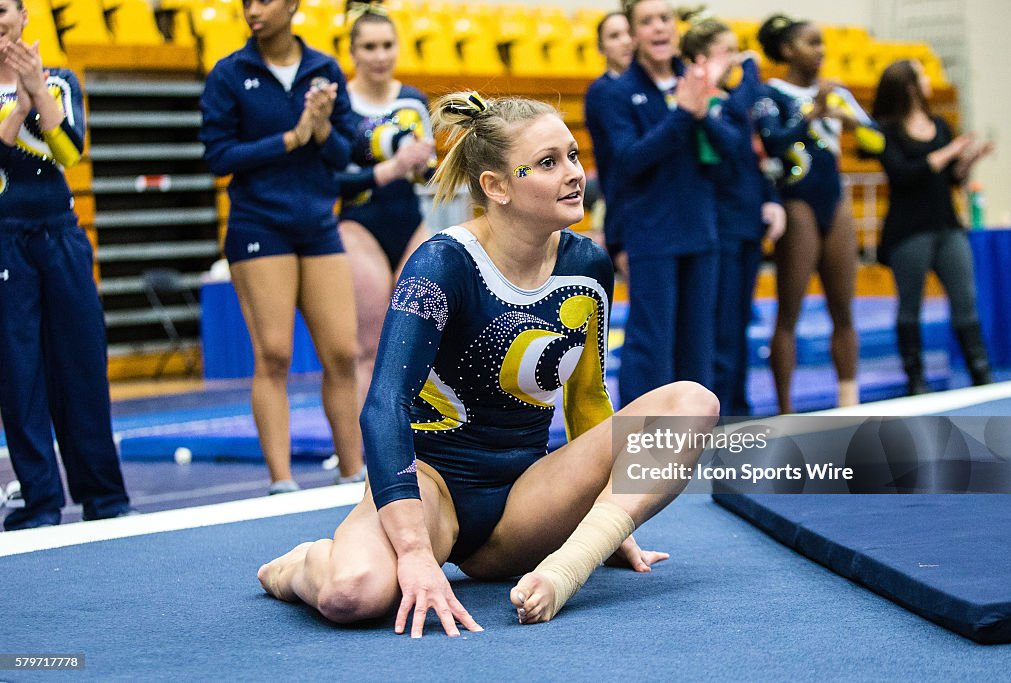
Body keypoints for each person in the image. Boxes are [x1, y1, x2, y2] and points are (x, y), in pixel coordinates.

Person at [256, 91, 719, 635]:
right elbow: (383, 408)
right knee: (352, 594)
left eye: (572, 155)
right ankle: (298, 566)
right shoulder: (442, 265)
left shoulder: (588, 265)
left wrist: (607, 528)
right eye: (548, 163)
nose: (573, 174)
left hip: (525, 499)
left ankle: (565, 570)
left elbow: (588, 398)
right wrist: (412, 551)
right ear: (495, 187)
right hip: (432, 488)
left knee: (692, 402)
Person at [199, 0, 364, 492]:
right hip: (259, 225)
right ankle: (281, 479)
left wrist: (322, 129)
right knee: (273, 354)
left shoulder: (324, 69)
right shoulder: (230, 73)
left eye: (265, 1)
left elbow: (348, 153)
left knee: (341, 351)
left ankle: (353, 470)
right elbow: (218, 156)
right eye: (246, 3)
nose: (254, 10)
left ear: (292, 5)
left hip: (317, 223)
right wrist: (292, 138)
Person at [0, 0, 134, 529]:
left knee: (81, 364)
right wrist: (20, 103)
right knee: (18, 371)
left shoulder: (60, 79)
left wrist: (38, 89)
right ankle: (40, 500)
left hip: (60, 234)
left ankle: (104, 496)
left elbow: (69, 151)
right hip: (5, 242)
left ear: (25, 14)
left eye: (5, 8)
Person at [597, 0, 737, 407]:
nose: (658, 28)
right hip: (652, 233)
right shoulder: (618, 92)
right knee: (651, 349)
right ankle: (639, 450)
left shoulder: (694, 78)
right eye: (646, 21)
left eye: (664, 19)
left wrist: (702, 112)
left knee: (698, 349)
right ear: (634, 32)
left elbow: (733, 150)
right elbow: (628, 160)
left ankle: (695, 452)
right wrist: (683, 115)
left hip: (702, 230)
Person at [754, 13, 885, 414]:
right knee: (789, 309)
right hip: (797, 200)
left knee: (843, 307)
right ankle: (785, 409)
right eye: (812, 43)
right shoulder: (770, 93)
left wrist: (843, 116)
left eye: (823, 43)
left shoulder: (837, 92)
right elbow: (773, 142)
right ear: (789, 49)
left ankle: (849, 399)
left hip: (835, 198)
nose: (821, 51)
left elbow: (876, 142)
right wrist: (812, 112)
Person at [680, 14, 786, 416]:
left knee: (740, 320)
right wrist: (752, 71)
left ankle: (739, 402)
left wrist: (769, 197)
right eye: (728, 51)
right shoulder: (699, 102)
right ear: (704, 58)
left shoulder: (728, 102)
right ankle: (722, 408)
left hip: (745, 223)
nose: (737, 59)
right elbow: (728, 146)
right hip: (718, 224)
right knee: (720, 324)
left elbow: (752, 158)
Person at [872, 59, 993, 392]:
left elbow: (952, 178)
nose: (927, 80)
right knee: (911, 305)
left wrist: (968, 159)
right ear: (908, 84)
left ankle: (980, 371)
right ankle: (915, 377)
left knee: (965, 299)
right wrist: (947, 152)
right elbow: (902, 174)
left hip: (947, 224)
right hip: (909, 229)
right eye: (921, 74)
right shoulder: (886, 130)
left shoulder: (939, 124)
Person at [337, 0, 436, 402]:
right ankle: (368, 452)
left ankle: (416, 436)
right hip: (361, 224)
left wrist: (420, 165)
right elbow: (335, 180)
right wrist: (392, 166)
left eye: (387, 46)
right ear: (353, 52)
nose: (380, 56)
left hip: (410, 221)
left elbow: (429, 173)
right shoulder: (342, 104)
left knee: (418, 339)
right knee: (370, 343)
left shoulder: (412, 100)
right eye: (370, 47)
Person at [584, 10, 633, 276]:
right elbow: (621, 157)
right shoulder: (603, 92)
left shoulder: (653, 85)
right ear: (602, 48)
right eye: (615, 36)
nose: (626, 41)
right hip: (623, 204)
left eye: (628, 33)